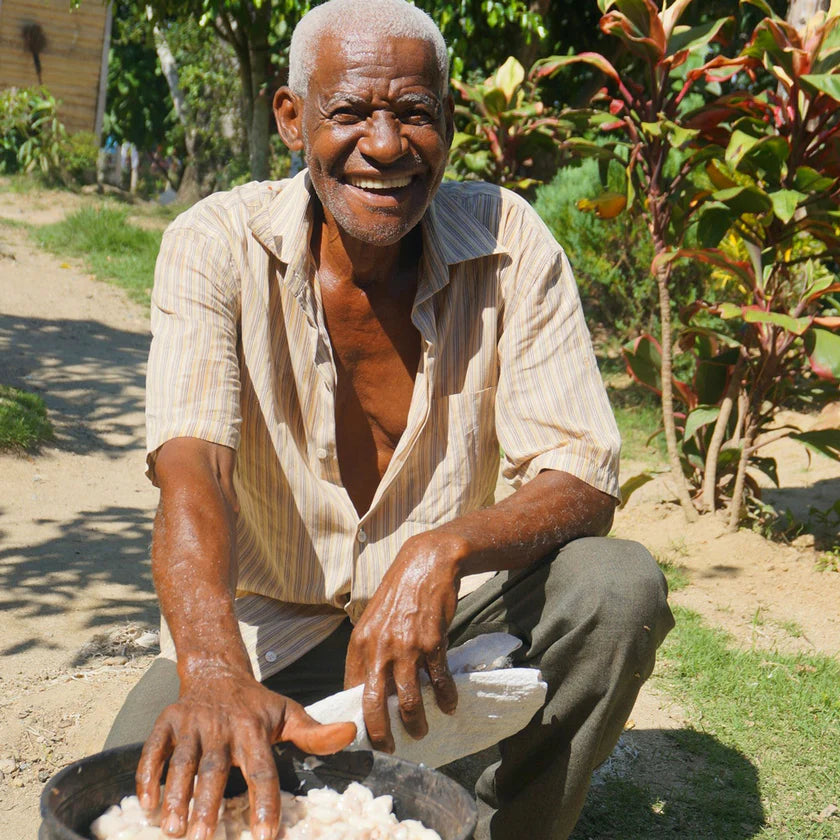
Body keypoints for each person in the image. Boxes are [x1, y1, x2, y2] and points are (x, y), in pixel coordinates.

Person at [105, 1, 675, 838]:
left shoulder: (509, 241)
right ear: (292, 118)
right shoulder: (214, 244)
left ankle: (503, 825)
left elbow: (582, 475)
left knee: (616, 588)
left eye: (414, 113)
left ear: (448, 120)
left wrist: (442, 549)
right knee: (130, 794)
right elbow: (194, 473)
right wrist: (215, 669)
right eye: (350, 113)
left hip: (444, 636)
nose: (384, 146)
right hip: (269, 635)